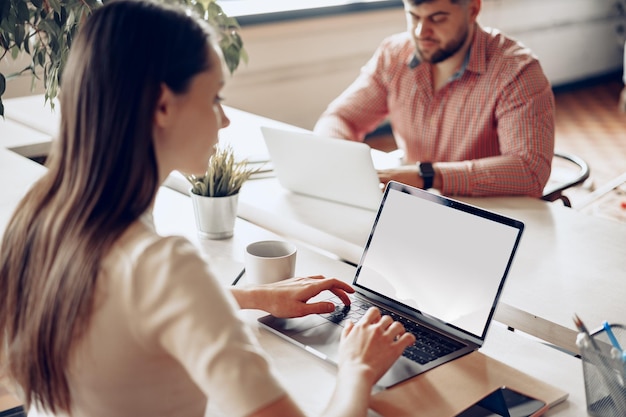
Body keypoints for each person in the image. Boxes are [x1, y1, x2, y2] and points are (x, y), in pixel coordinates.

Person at [0, 1, 415, 417]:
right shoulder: (164, 265)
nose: (224, 120)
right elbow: (158, 291)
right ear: (163, 105)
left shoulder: (37, 216)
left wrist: (253, 296)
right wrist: (357, 369)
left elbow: (130, 311)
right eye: (215, 97)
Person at [314, 0, 555, 197]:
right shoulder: (394, 54)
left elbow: (530, 171)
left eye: (437, 18)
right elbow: (340, 117)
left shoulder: (518, 71)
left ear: (473, 10)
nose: (421, 32)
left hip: (489, 209)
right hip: (414, 201)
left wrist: (427, 175)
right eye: (414, 16)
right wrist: (342, 162)